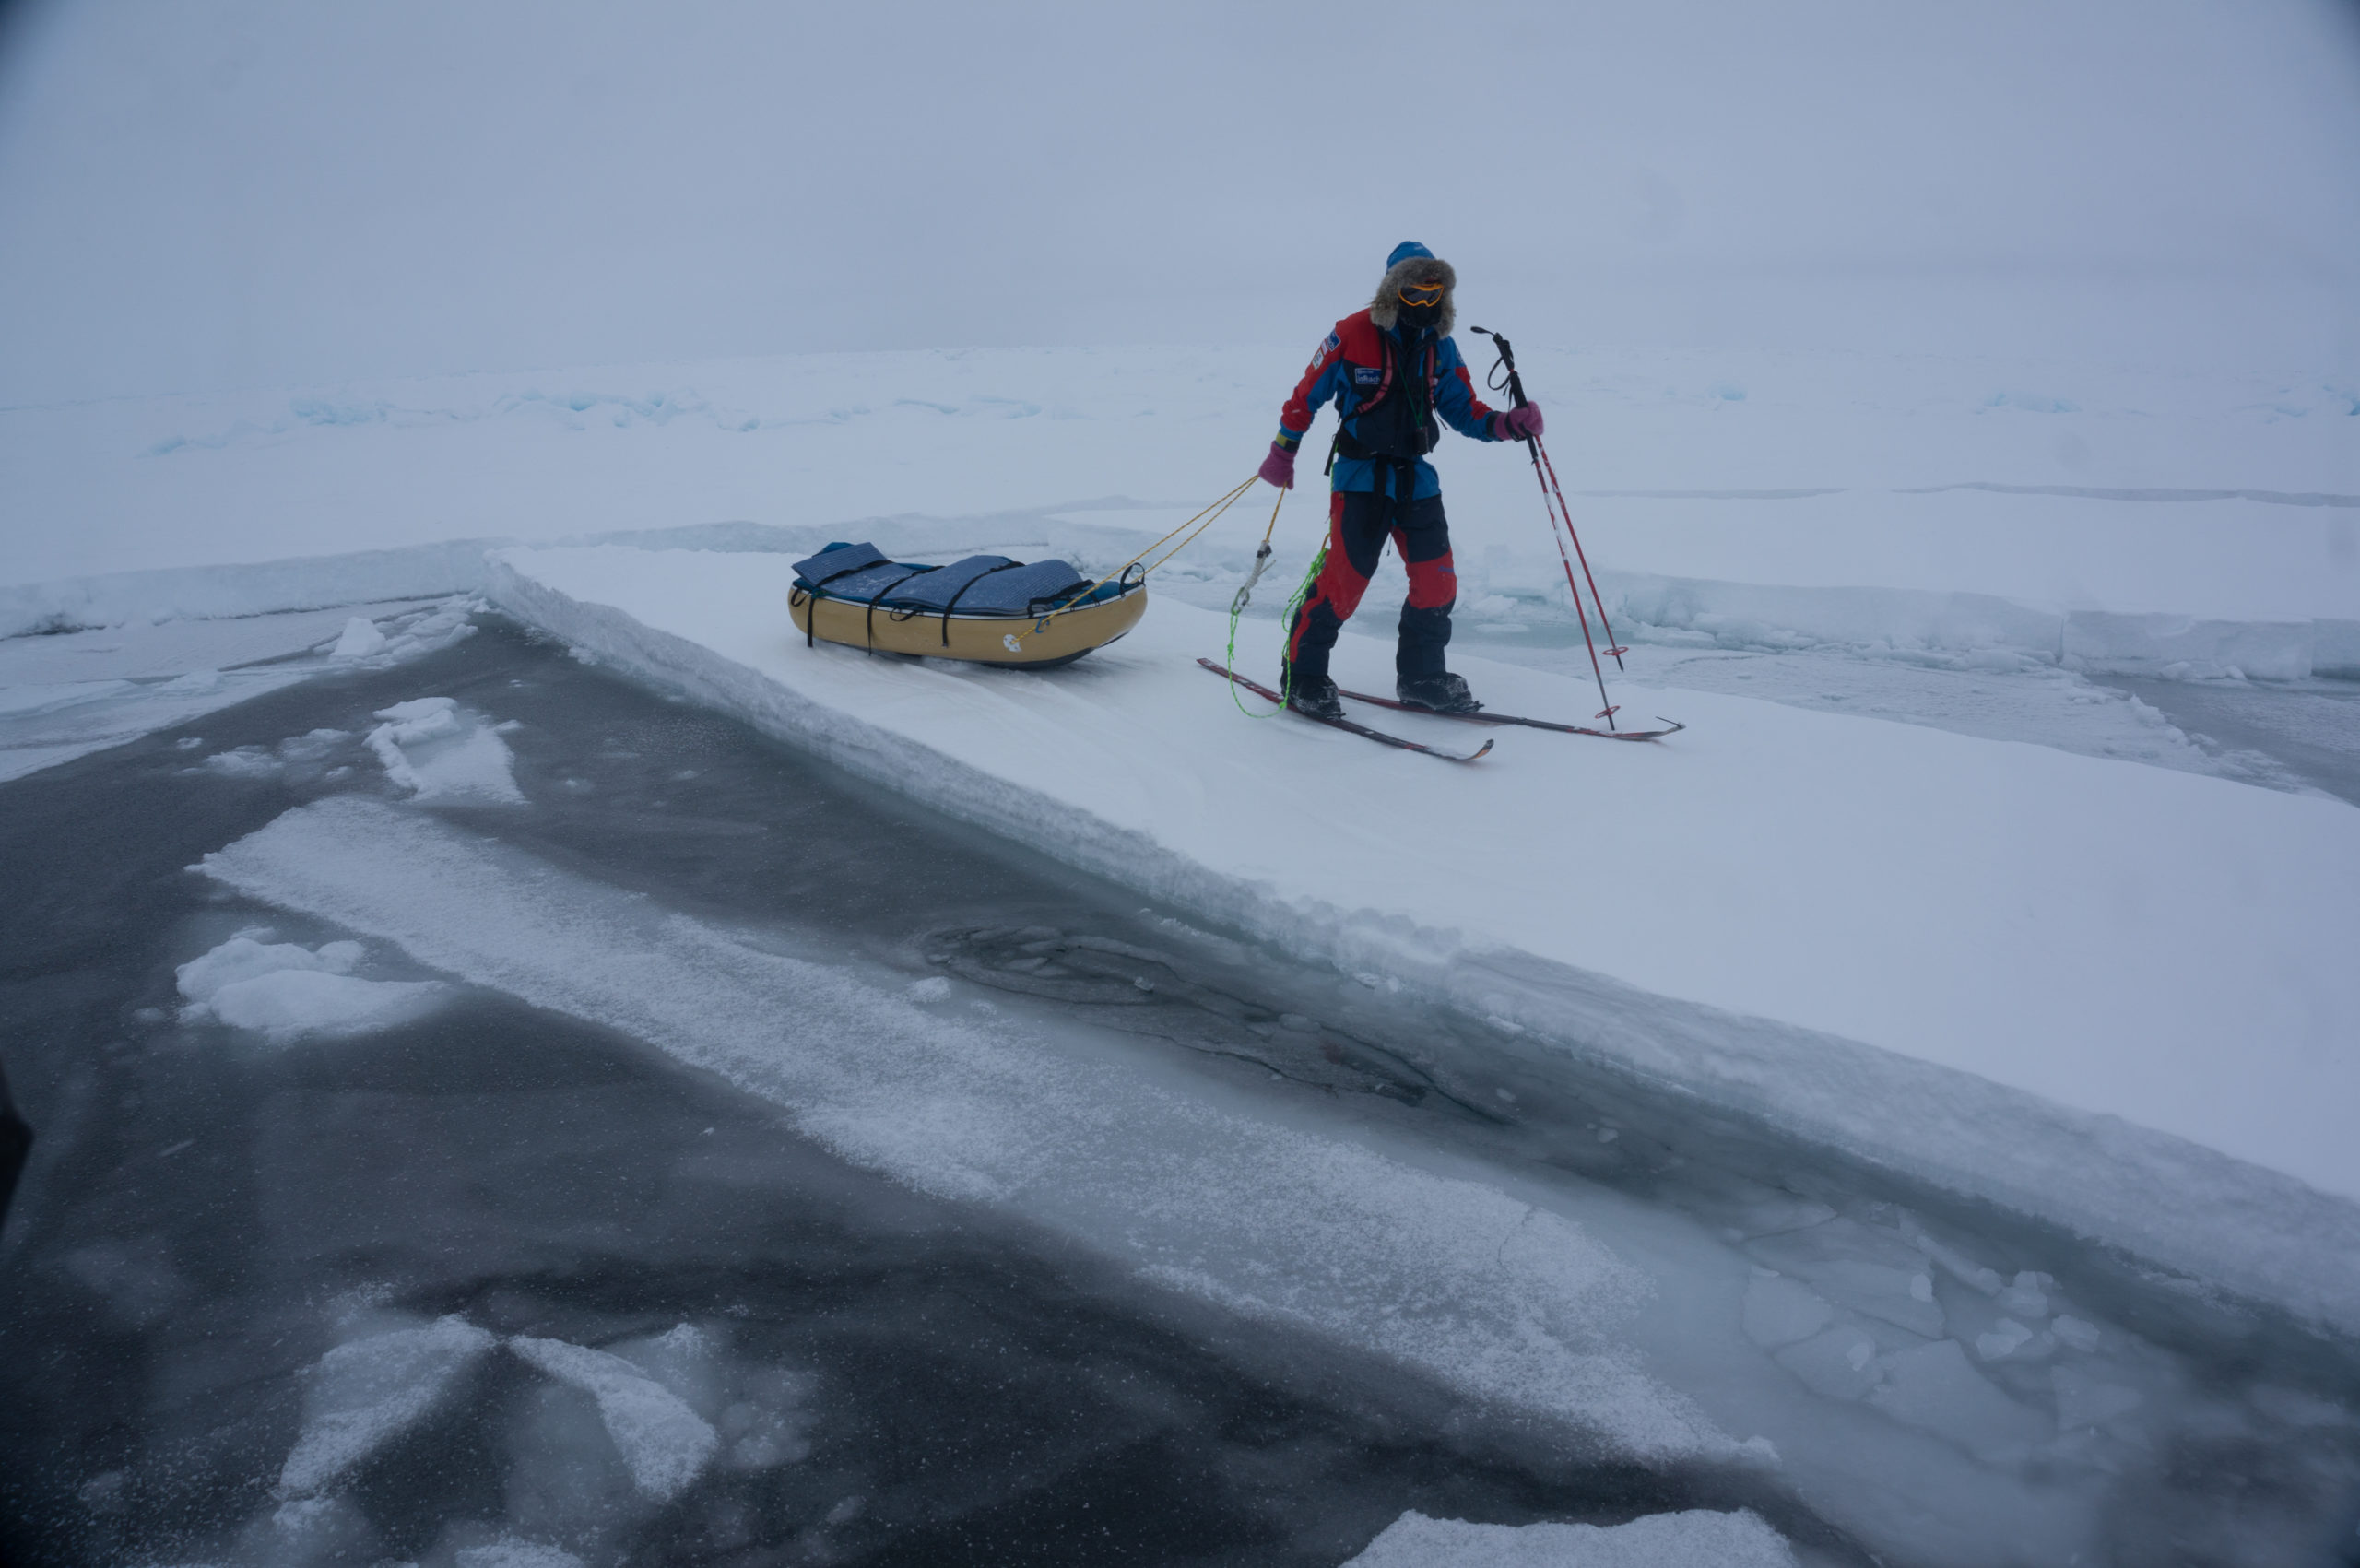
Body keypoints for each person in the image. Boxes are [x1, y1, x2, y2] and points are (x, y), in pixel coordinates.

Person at [1257, 242, 1544, 719]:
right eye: (1413, 291)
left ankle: (1423, 677)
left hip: (1416, 477)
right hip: (1360, 475)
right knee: (1344, 582)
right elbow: (1305, 396)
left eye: (1434, 292)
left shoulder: (1442, 346)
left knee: (1438, 582)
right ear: (1394, 289)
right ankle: (1303, 675)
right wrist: (1281, 454)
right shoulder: (1350, 334)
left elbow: (1465, 411)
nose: (1424, 302)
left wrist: (1508, 425)